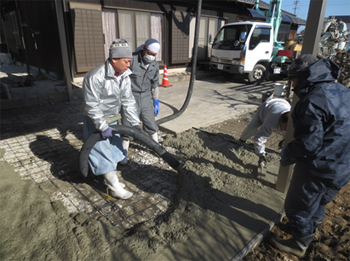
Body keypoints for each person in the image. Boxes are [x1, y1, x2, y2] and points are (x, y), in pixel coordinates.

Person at [269, 54, 350, 257]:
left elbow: (309, 144)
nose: (292, 83)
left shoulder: (313, 101)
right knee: (321, 200)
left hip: (319, 168)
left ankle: (300, 242)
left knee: (296, 207)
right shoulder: (341, 90)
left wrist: (288, 152)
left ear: (306, 77)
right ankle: (311, 227)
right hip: (344, 165)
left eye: (294, 79)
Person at [82, 38, 141, 200]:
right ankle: (113, 187)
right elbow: (91, 105)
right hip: (96, 121)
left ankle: (112, 178)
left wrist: (135, 123)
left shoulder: (124, 76)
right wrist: (102, 126)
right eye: (126, 61)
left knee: (115, 150)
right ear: (114, 59)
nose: (129, 65)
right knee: (102, 153)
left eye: (130, 61)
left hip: (113, 119)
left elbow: (128, 101)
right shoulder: (95, 76)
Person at [121, 38, 160, 164]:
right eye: (149, 53)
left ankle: (157, 148)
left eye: (153, 55)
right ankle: (123, 155)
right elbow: (121, 78)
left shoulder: (154, 65)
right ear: (144, 49)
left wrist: (156, 101)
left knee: (150, 123)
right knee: (127, 125)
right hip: (130, 97)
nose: (151, 56)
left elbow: (154, 84)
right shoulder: (132, 60)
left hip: (145, 97)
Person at [236, 98, 291, 167]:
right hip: (264, 110)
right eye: (284, 128)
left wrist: (286, 139)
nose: (285, 130)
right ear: (281, 120)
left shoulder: (293, 120)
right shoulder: (271, 122)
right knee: (251, 128)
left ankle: (284, 140)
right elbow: (259, 138)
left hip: (282, 104)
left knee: (287, 132)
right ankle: (241, 141)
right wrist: (261, 155)